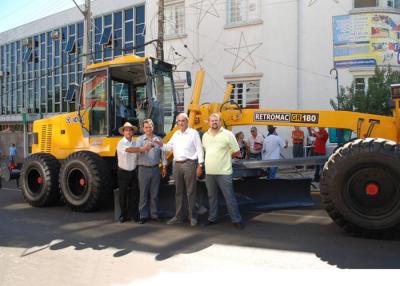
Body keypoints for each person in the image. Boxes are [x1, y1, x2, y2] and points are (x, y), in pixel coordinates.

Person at [154, 113, 204, 227]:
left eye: (182, 121)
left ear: (187, 121)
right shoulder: (176, 134)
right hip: (177, 165)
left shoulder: (193, 133)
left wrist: (200, 165)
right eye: (179, 121)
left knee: (191, 192)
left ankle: (192, 217)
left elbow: (199, 150)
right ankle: (178, 217)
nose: (180, 123)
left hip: (190, 164)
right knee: (178, 192)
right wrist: (160, 144)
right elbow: (168, 147)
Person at [202, 113, 244, 230]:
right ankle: (212, 218)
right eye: (212, 120)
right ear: (209, 122)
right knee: (212, 197)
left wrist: (226, 156)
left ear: (220, 121)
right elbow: (206, 151)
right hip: (210, 172)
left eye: (216, 120)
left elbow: (237, 151)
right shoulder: (205, 136)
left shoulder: (228, 135)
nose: (214, 122)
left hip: (224, 172)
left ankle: (236, 219)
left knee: (229, 197)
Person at [116, 122, 152, 223]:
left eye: (130, 130)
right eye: (126, 130)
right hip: (123, 172)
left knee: (134, 195)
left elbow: (139, 151)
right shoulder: (121, 143)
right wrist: (142, 148)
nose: (128, 132)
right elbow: (129, 150)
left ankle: (134, 215)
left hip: (133, 171)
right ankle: (123, 215)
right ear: (123, 132)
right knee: (122, 195)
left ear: (132, 132)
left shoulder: (135, 142)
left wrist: (150, 145)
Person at [136, 119, 168, 224]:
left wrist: (164, 167)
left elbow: (163, 155)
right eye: (146, 127)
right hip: (143, 169)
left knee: (154, 194)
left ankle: (154, 214)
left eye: (150, 127)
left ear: (153, 127)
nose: (148, 129)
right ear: (143, 129)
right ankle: (143, 215)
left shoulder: (158, 139)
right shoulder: (140, 140)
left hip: (155, 169)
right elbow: (136, 152)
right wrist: (144, 148)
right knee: (143, 194)